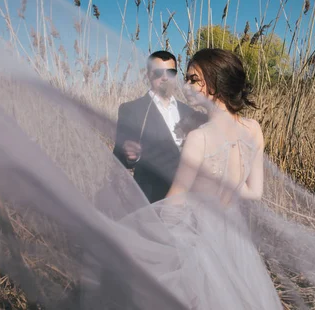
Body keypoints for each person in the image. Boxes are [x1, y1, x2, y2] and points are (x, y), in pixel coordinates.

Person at [118, 48, 284, 309]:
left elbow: (173, 204)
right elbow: (255, 192)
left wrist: (148, 239)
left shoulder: (200, 138)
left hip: (200, 242)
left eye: (193, 79)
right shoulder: (254, 128)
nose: (186, 85)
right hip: (236, 241)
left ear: (214, 84)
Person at [112, 50, 196, 204]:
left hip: (187, 200)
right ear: (148, 75)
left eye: (170, 72)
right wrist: (131, 156)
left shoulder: (189, 112)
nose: (165, 77)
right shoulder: (131, 109)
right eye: (158, 73)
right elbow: (118, 157)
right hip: (150, 199)